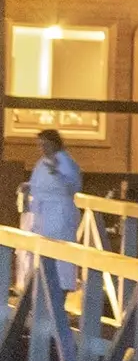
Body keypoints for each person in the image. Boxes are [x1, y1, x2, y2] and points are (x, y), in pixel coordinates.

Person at [16, 128, 81, 300]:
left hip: (59, 215)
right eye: (40, 145)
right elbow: (40, 183)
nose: (42, 148)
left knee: (59, 257)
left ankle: (60, 293)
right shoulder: (42, 162)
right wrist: (29, 186)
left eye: (45, 144)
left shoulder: (65, 161)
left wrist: (57, 173)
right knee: (40, 255)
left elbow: (73, 186)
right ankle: (40, 293)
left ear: (54, 144)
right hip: (42, 216)